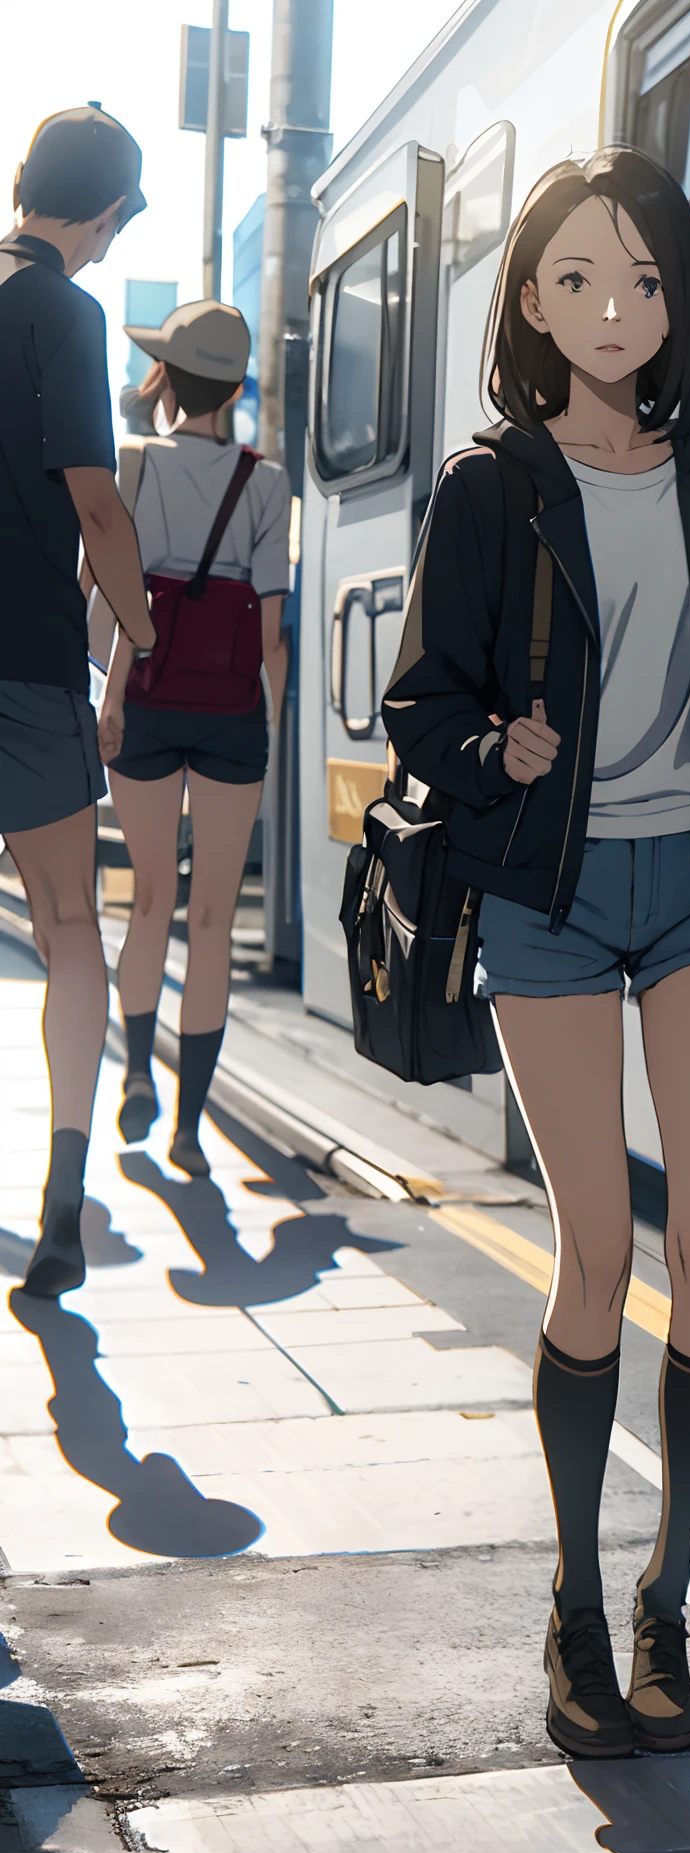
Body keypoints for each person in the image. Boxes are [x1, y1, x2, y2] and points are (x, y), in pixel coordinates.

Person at [383, 149, 690, 1759]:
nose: (612, 308)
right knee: (596, 1255)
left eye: (640, 281)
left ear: (677, 303)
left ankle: (664, 1607)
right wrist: (499, 746)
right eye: (576, 279)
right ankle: (572, 1601)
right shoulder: (488, 488)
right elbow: (417, 701)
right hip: (551, 905)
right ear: (532, 300)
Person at [0, 106, 153, 1297]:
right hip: (28, 663)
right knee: (67, 925)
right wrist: (139, 631)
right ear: (102, 216)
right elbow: (95, 502)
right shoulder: (65, 311)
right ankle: (62, 1193)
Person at [94, 301, 290, 1175]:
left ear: (167, 377)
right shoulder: (269, 483)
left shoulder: (133, 465)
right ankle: (186, 1129)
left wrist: (110, 698)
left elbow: (107, 601)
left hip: (145, 694)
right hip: (229, 714)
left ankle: (135, 1072)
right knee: (211, 918)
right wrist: (269, 726)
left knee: (149, 900)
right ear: (237, 388)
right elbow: (274, 631)